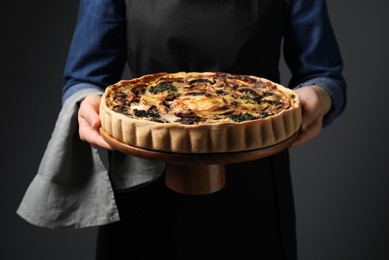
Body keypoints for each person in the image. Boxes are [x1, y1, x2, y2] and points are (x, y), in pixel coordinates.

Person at [17, 0, 347, 259]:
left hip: (253, 191)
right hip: (144, 187)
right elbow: (85, 77)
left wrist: (318, 96)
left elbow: (324, 73)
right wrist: (87, 103)